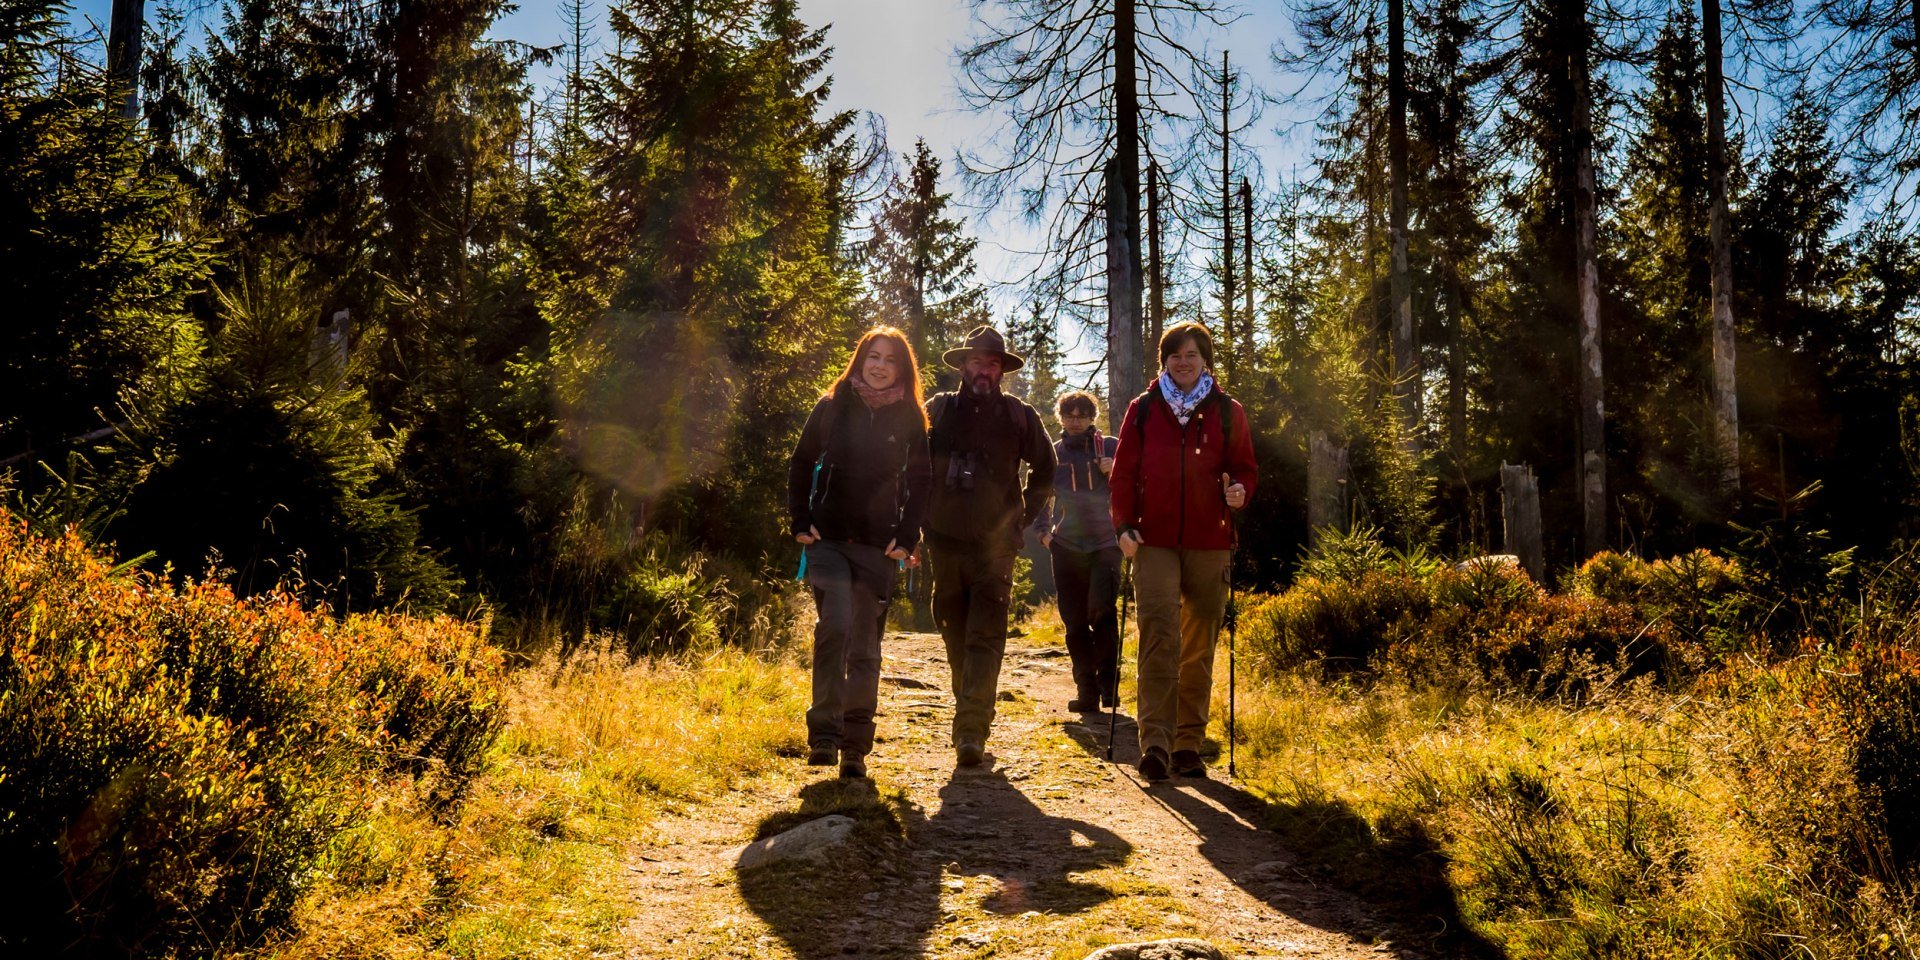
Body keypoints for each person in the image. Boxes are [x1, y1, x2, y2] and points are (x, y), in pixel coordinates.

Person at [1109, 321, 1257, 782]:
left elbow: (1245, 470)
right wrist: (1124, 526)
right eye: (1175, 354)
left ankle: (1188, 745)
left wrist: (1240, 493)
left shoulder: (1228, 411)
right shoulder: (1144, 410)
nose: (1184, 361)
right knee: (1158, 638)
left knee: (1197, 647)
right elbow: (1122, 474)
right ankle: (1155, 743)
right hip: (1151, 542)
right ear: (1164, 361)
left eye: (1192, 353)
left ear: (1205, 358)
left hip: (1210, 542)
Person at [787, 326, 932, 780]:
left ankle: (855, 747)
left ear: (902, 368)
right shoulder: (833, 405)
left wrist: (907, 537)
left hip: (878, 547)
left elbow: (922, 481)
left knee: (865, 647)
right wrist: (799, 520)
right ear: (860, 358)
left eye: (891, 359)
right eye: (874, 356)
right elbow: (799, 460)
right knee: (835, 626)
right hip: (828, 540)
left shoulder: (910, 417)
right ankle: (824, 737)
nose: (880, 365)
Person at [924, 325, 1055, 767]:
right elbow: (908, 464)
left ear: (1002, 371)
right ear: (963, 366)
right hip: (943, 542)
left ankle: (971, 729)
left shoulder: (1020, 417)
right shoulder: (937, 412)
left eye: (993, 363)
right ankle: (971, 706)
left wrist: (1021, 520)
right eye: (977, 362)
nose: (984, 370)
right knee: (953, 628)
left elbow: (1046, 469)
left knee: (986, 631)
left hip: (997, 546)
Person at [1034, 391, 1122, 713]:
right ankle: (1087, 691)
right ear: (1060, 417)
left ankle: (1109, 685)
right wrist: (1044, 535)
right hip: (1066, 546)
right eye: (1069, 415)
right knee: (1073, 621)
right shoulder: (1054, 454)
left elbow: (1134, 487)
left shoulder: (1109, 447)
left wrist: (1113, 471)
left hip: (1106, 544)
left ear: (1091, 417)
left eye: (1082, 415)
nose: (1075, 421)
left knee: (1101, 611)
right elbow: (1041, 496)